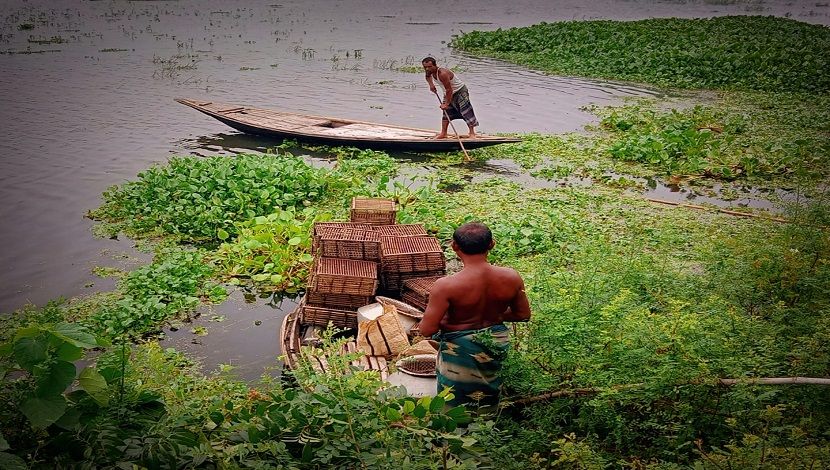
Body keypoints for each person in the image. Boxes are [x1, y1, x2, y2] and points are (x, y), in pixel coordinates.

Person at [420, 222, 531, 408]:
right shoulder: (511, 277)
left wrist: (451, 321)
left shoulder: (446, 286)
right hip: (495, 342)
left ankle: (454, 426)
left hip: (460, 348)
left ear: (454, 246)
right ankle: (487, 425)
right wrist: (495, 315)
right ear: (492, 244)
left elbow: (427, 329)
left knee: (454, 396)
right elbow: (523, 314)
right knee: (489, 389)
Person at [422, 56, 479, 139]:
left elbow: (449, 90)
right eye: (425, 67)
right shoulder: (429, 71)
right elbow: (427, 76)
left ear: (435, 65)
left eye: (429, 67)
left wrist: (446, 104)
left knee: (465, 111)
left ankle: (472, 133)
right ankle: (443, 133)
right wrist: (431, 85)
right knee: (446, 113)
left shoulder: (442, 74)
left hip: (460, 91)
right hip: (448, 93)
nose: (427, 69)